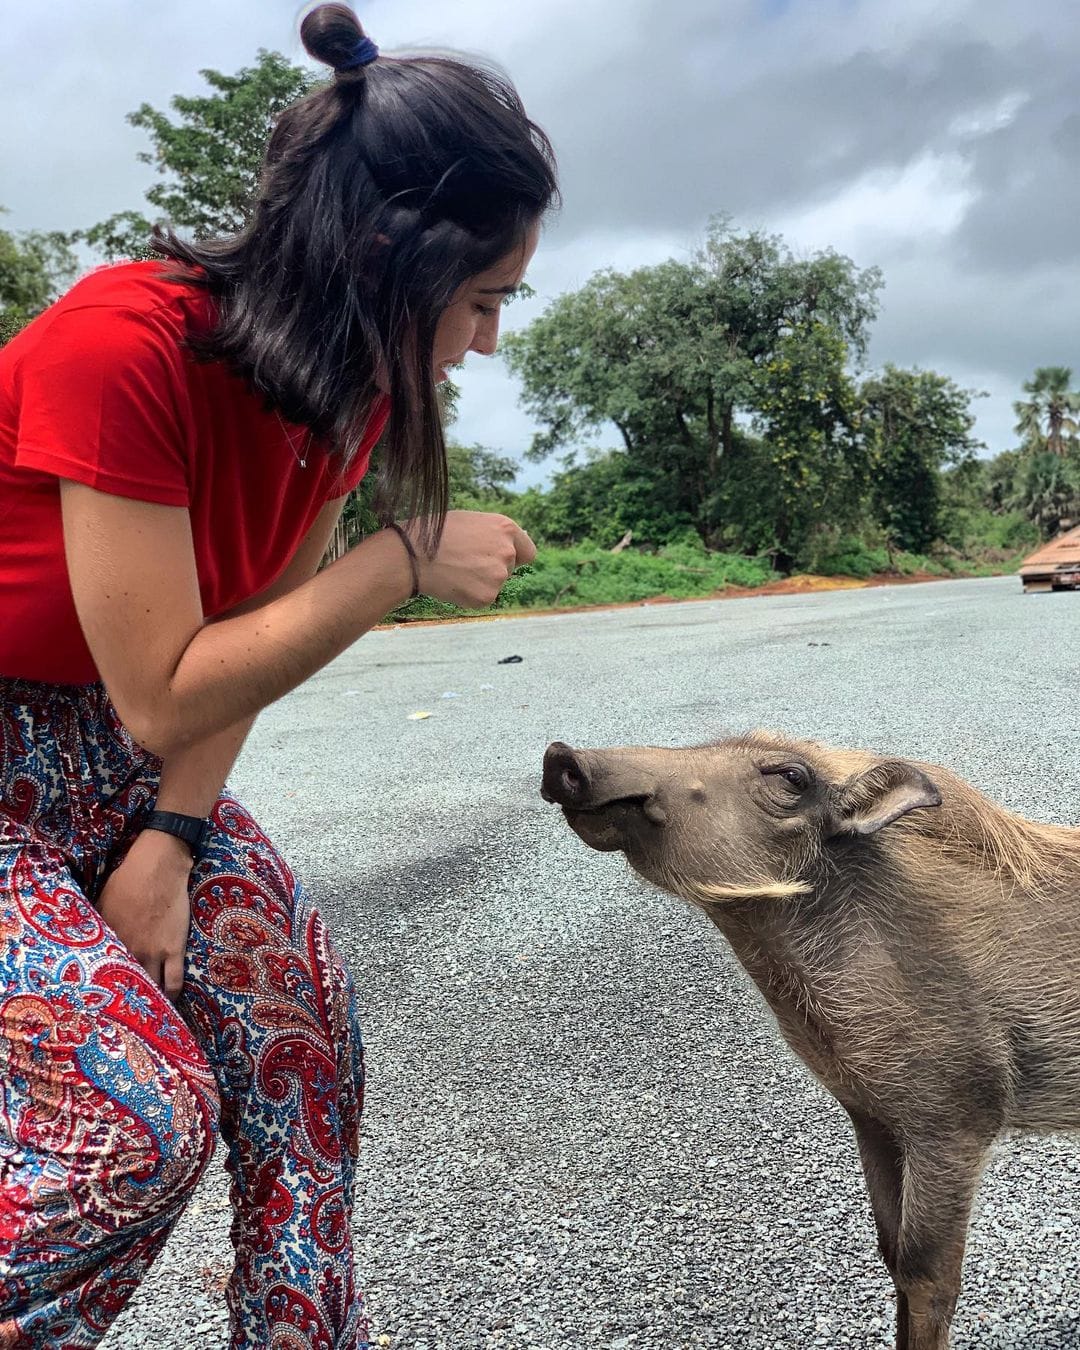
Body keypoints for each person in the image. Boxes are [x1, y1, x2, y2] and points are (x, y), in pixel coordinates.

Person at [0, 4, 557, 1346]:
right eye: (482, 301)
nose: (482, 344)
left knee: (303, 1043)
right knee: (133, 1128)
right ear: (391, 256)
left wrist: (172, 840)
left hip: (121, 762)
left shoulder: (345, 392)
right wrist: (390, 570)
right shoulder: (121, 344)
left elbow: (238, 644)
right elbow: (164, 686)